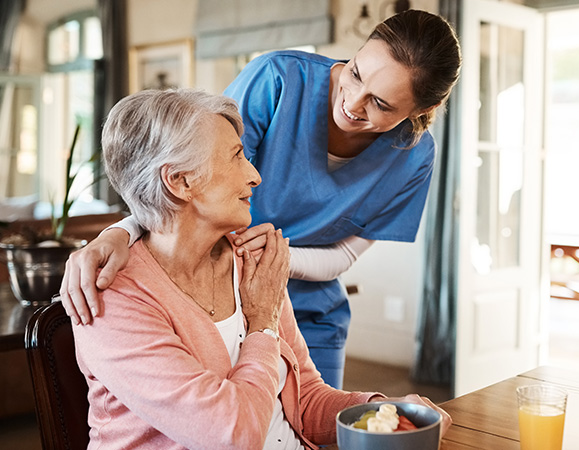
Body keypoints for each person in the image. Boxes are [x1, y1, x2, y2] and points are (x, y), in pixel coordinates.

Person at [60, 10, 462, 389]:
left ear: (422, 110)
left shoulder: (413, 158)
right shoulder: (278, 80)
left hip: (309, 311)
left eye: (380, 103)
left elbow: (344, 256)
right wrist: (121, 232)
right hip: (215, 295)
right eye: (355, 73)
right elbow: (185, 175)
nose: (352, 103)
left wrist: (274, 264)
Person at [72, 88, 452, 449]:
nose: (254, 175)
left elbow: (305, 398)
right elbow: (234, 437)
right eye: (237, 156)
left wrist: (388, 411)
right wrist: (263, 324)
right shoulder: (112, 299)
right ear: (180, 181)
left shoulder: (250, 263)